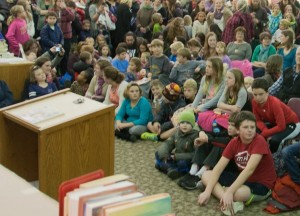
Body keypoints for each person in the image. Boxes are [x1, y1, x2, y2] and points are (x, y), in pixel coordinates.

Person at [198, 111, 277, 216]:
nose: (250, 130)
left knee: (238, 194)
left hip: (262, 184)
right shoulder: (234, 142)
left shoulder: (259, 141)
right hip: (243, 179)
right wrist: (207, 192)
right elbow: (219, 167)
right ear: (238, 130)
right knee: (206, 174)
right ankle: (225, 198)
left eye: (252, 127)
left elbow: (249, 170)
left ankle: (222, 192)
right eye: (245, 127)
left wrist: (230, 191)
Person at [178, 112, 239, 190]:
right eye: (229, 124)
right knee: (204, 142)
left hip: (230, 168)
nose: (229, 127)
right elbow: (213, 135)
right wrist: (202, 133)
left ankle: (200, 174)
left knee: (219, 146)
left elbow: (226, 142)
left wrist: (208, 139)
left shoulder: (237, 138)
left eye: (233, 125)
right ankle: (193, 171)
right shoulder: (226, 132)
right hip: (219, 163)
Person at [252, 78, 300, 153]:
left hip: (292, 124)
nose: (257, 98)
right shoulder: (254, 102)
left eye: (261, 94)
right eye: (255, 94)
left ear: (267, 92)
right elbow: (257, 120)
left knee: (274, 140)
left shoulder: (274, 103)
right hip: (276, 123)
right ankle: (258, 153)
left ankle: (275, 159)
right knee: (254, 132)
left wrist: (266, 133)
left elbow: (281, 126)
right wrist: (265, 130)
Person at [155, 110, 198, 180]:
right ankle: (169, 168)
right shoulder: (177, 133)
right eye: (182, 122)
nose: (184, 125)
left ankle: (171, 169)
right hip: (176, 157)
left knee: (182, 163)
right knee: (159, 153)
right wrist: (164, 156)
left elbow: (195, 154)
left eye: (188, 123)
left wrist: (176, 156)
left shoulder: (195, 136)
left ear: (193, 124)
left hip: (187, 160)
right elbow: (167, 144)